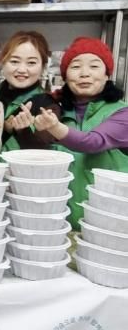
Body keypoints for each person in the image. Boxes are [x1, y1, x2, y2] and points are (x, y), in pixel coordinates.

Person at [34, 37, 128, 229]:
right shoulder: (58, 113)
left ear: (106, 74)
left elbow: (93, 142)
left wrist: (54, 128)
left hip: (109, 226)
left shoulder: (122, 113)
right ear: (65, 76)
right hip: (60, 224)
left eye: (94, 66)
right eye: (76, 67)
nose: (84, 73)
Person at [0, 31, 61, 151]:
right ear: (3, 63)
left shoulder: (47, 106)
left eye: (31, 63)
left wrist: (24, 132)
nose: (22, 69)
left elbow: (46, 154)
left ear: (43, 67)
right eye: (14, 61)